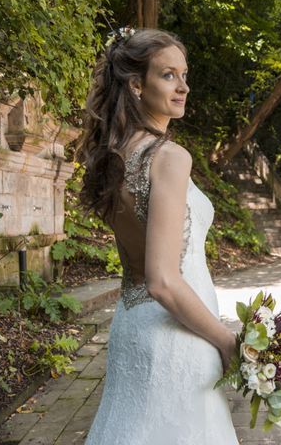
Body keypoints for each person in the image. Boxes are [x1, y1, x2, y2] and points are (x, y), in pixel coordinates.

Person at [76, 28, 238, 444]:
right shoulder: (168, 157)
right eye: (169, 75)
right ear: (136, 84)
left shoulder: (114, 156)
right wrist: (227, 342)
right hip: (177, 337)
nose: (183, 86)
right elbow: (163, 280)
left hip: (132, 328)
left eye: (184, 75)